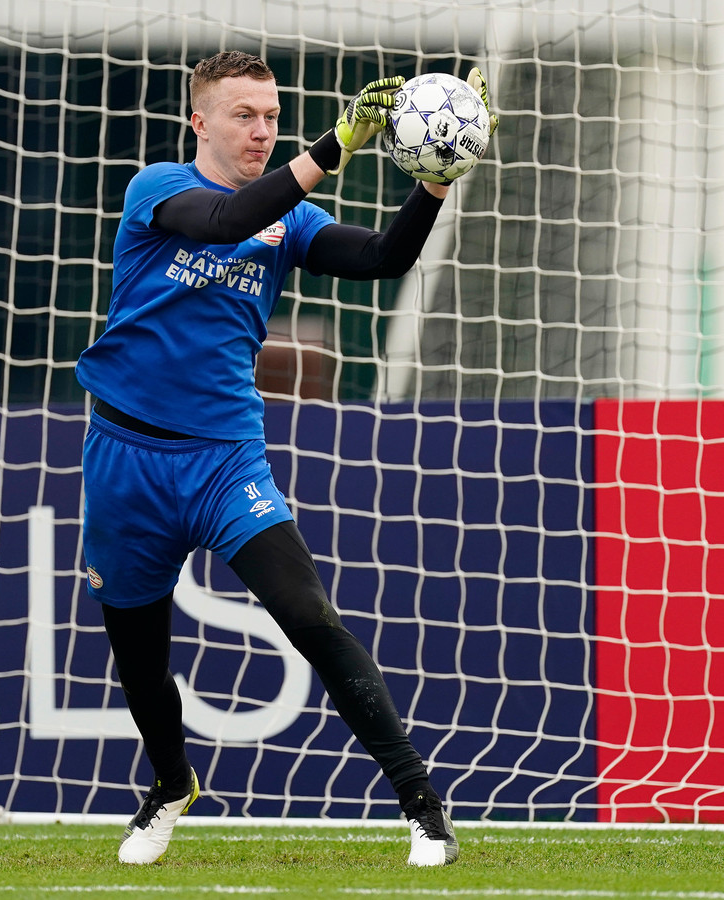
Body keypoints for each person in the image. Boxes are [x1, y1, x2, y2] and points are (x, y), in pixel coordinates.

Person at [75, 50, 496, 867]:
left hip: (224, 462)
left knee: (310, 619)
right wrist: (332, 147)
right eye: (244, 115)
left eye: (271, 116)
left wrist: (436, 176)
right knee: (139, 657)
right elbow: (224, 224)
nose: (261, 131)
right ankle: (169, 786)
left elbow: (384, 258)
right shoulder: (156, 190)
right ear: (200, 122)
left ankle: (422, 809)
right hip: (125, 460)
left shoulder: (289, 218)